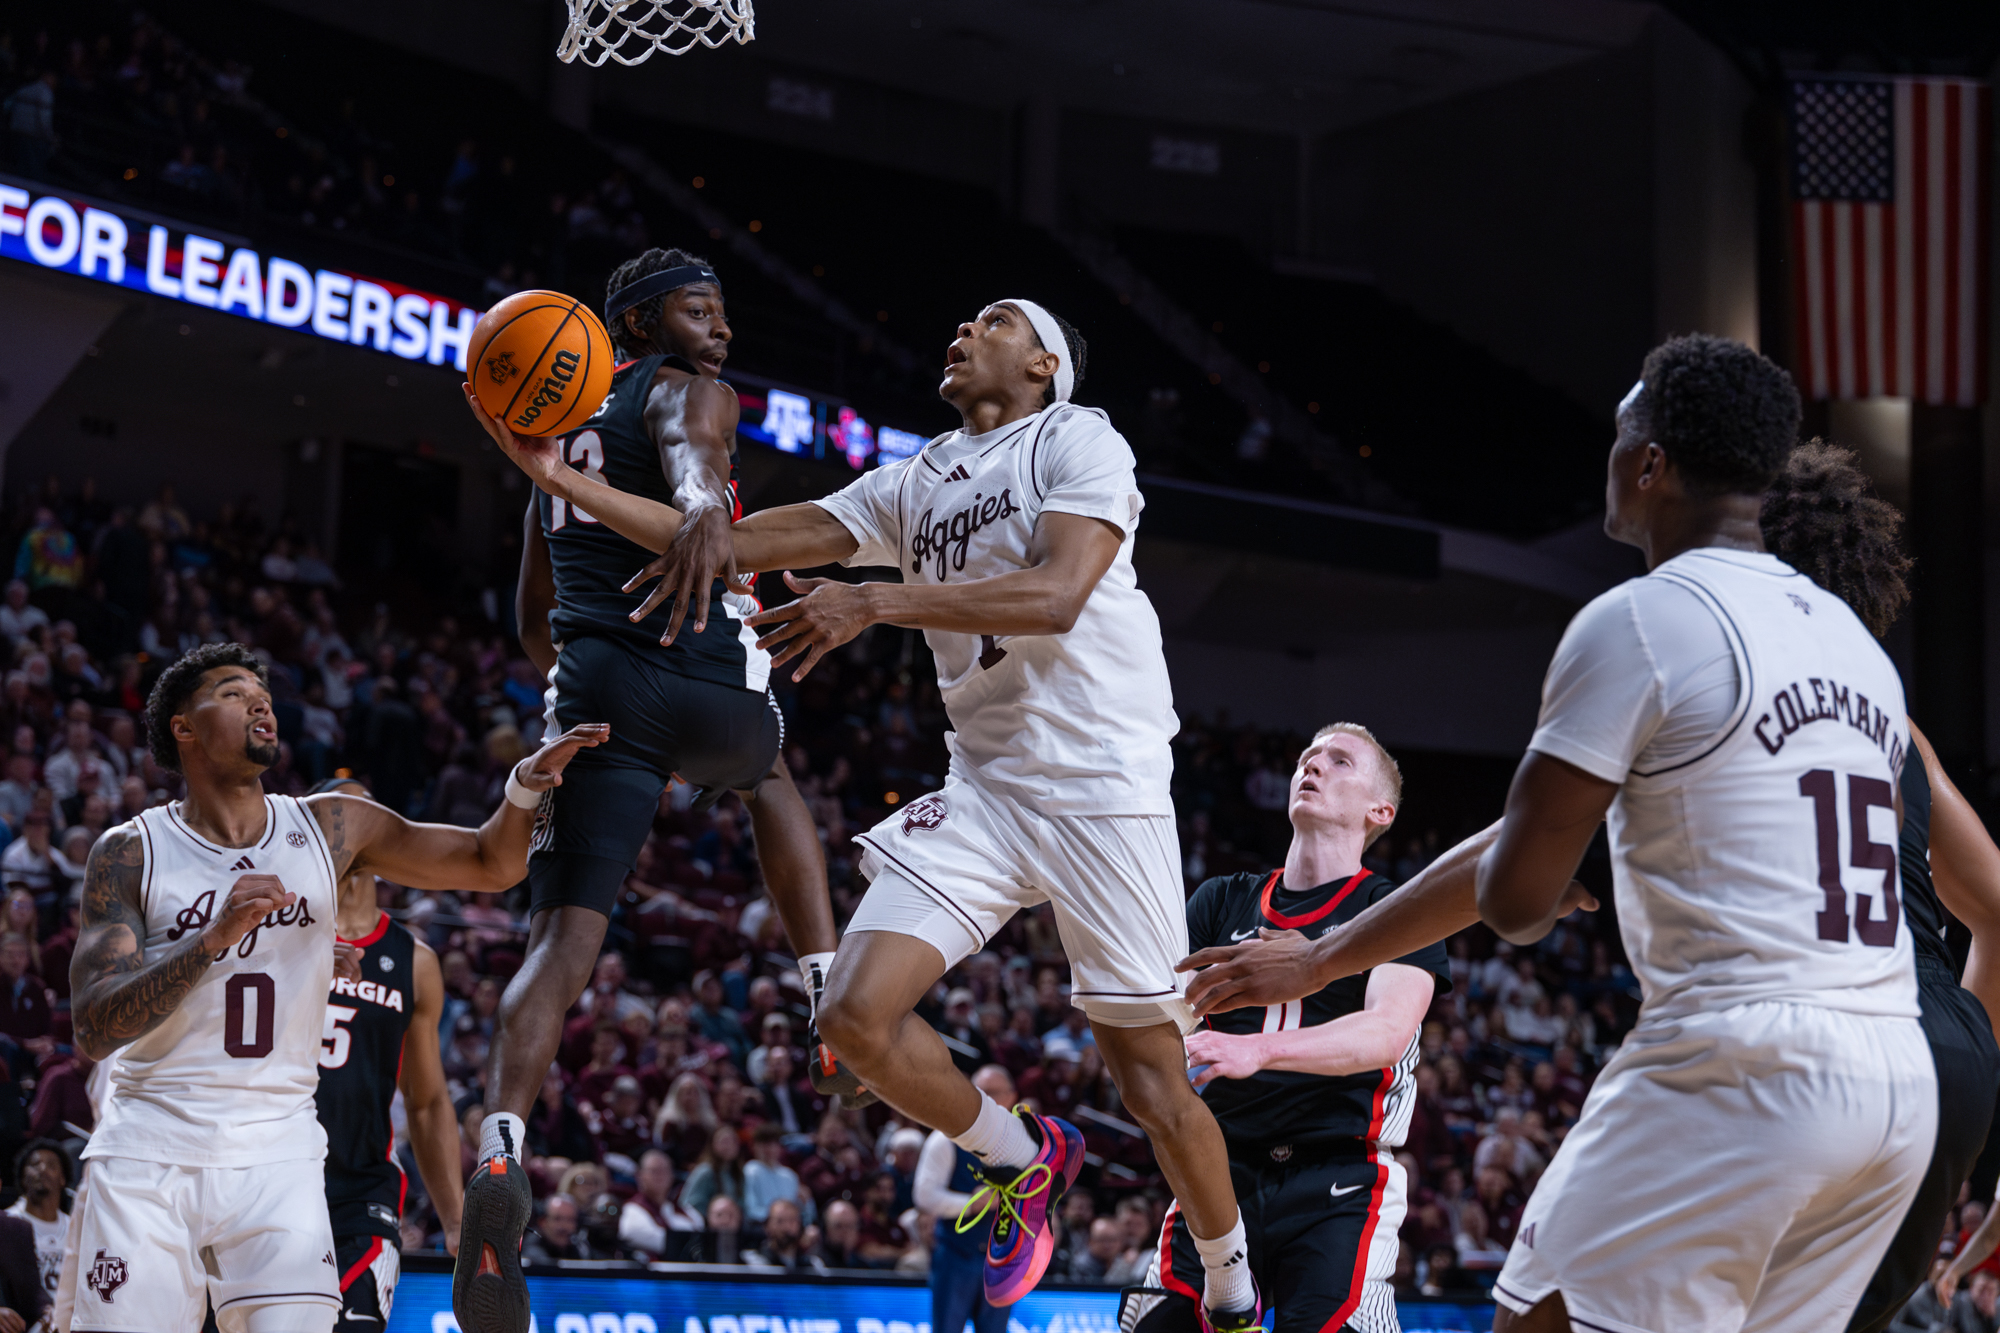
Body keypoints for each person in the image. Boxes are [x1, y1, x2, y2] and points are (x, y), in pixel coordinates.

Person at [488, 296, 1255, 1321]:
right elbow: (725, 544)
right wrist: (560, 478)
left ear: (1042, 365)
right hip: (985, 788)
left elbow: (1057, 592)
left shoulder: (1076, 437)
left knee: (1152, 1085)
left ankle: (1228, 1289)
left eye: (991, 320)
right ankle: (1023, 1157)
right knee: (849, 1018)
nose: (960, 329)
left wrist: (872, 599)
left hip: (1102, 788)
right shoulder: (914, 480)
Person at [1185, 336, 1938, 1332]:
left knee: (1532, 1318)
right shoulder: (1855, 645)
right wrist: (1323, 959)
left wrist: (1555, 882)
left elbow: (1511, 894)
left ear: (1648, 462)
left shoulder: (1640, 618)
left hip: (1742, 1060)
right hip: (1894, 1079)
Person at [453, 249, 852, 1333]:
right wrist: (692, 508)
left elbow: (531, 615)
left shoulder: (551, 441)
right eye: (695, 307)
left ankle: (500, 1146)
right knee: (769, 776)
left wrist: (587, 664)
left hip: (594, 683)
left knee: (560, 943)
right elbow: (694, 465)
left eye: (723, 307)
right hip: (709, 675)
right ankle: (825, 984)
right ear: (634, 323)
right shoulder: (688, 392)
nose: (719, 326)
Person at [64, 643, 603, 1333]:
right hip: (149, 1148)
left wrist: (524, 786)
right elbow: (94, 1027)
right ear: (183, 726)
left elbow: (490, 861)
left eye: (261, 688)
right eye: (232, 691)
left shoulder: (328, 825)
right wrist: (211, 939)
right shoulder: (130, 850)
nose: (259, 699)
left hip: (279, 1153)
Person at [1759, 444, 2000, 1332]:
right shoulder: (1896, 720)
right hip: (1944, 1056)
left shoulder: (1723, 674)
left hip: (1823, 1032)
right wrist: (1962, 1040)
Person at [1132, 724, 1444, 1333]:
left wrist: (1257, 1050)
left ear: (1380, 810)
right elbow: (1155, 1017)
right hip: (1218, 1169)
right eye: (1308, 757)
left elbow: (1384, 1032)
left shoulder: (1398, 912)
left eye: (1339, 760)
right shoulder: (1223, 900)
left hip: (1341, 1178)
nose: (1314, 765)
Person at [310, 777, 465, 1333]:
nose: (355, 822)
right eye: (340, 811)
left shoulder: (414, 959)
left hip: (362, 1189)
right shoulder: (277, 934)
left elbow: (425, 1102)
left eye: (367, 811)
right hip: (270, 1176)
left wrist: (455, 1219)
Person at [917, 1064, 1016, 1333]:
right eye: (980, 1092)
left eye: (994, 1092)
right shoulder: (945, 1138)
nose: (988, 1099)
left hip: (1003, 1258)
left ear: (1011, 1096)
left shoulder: (1022, 1142)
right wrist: (970, 1205)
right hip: (956, 1254)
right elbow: (923, 1195)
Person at [5, 1140, 66, 1332]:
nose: (42, 1169)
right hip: (23, 1319)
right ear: (23, 1178)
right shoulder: (10, 1223)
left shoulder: (75, 1226)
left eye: (51, 1165)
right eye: (34, 1164)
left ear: (63, 1178)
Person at [617, 1150, 700, 1260]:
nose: (660, 1176)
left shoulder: (688, 1212)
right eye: (654, 1171)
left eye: (665, 1171)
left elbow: (700, 1241)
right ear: (640, 1176)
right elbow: (633, 1232)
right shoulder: (631, 1210)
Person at [744, 1198, 824, 1274]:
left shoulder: (812, 1265)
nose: (786, 1227)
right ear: (767, 1226)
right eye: (780, 1221)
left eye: (792, 1220)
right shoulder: (753, 1262)